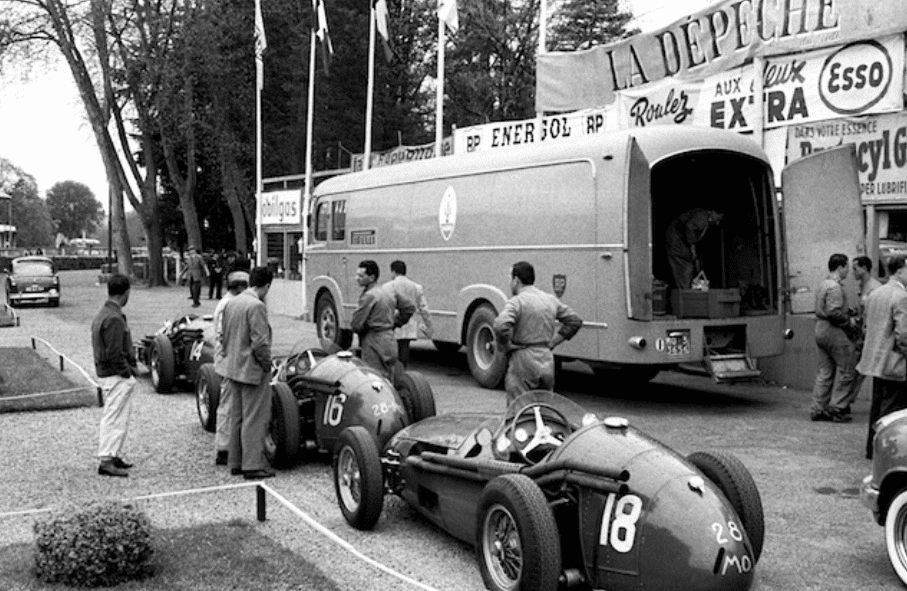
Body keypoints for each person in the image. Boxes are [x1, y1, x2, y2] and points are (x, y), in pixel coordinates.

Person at [493, 261, 583, 406]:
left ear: (516, 280)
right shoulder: (550, 299)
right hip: (546, 359)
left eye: (510, 279)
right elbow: (575, 321)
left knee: (519, 409)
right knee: (544, 408)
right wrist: (553, 342)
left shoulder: (517, 302)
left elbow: (500, 325)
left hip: (523, 360)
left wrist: (505, 345)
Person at [220, 266, 274, 479]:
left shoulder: (232, 302)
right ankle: (252, 464)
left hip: (233, 367)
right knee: (255, 418)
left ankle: (236, 461)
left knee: (237, 417)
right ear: (267, 286)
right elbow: (260, 342)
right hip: (252, 369)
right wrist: (267, 364)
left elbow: (224, 335)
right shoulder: (256, 306)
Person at [857, 254, 907, 459]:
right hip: (895, 362)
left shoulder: (876, 293)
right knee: (893, 409)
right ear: (900, 271)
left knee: (878, 406)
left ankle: (872, 448)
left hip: (875, 360)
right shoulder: (902, 296)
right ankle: (885, 451)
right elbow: (904, 334)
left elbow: (866, 325)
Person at [91, 274, 138, 477]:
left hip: (108, 373)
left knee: (117, 416)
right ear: (126, 293)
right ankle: (106, 459)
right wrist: (127, 372)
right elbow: (114, 353)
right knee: (115, 418)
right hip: (115, 374)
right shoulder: (114, 318)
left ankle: (113, 453)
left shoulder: (105, 313)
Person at [810, 253, 858, 422]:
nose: (848, 271)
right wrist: (848, 321)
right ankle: (837, 407)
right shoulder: (835, 287)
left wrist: (847, 310)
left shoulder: (823, 284)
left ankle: (818, 408)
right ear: (840, 267)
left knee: (825, 371)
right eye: (847, 267)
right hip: (833, 330)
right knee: (848, 369)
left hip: (820, 328)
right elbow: (833, 312)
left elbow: (827, 307)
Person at [351, 260, 414, 380]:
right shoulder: (388, 291)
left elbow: (356, 324)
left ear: (371, 277)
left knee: (374, 379)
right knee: (389, 378)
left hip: (373, 342)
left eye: (361, 276)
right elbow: (409, 308)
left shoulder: (369, 296)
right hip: (389, 340)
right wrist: (395, 323)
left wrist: (365, 328)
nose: (357, 278)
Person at [212, 270, 250, 466]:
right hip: (228, 359)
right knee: (227, 404)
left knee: (231, 403)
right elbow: (223, 336)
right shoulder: (228, 305)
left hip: (227, 358)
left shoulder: (227, 303)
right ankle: (224, 447)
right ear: (240, 287)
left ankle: (230, 444)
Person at [845, 256, 884, 412]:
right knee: (855, 369)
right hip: (861, 332)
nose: (853, 272)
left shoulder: (875, 288)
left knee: (861, 369)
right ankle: (846, 400)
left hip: (869, 333)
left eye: (855, 268)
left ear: (864, 268)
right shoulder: (862, 286)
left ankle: (846, 401)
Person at [384, 260, 433, 367]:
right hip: (409, 324)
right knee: (405, 349)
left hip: (394, 322)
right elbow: (424, 308)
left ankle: (394, 372)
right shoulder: (416, 287)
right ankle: (402, 370)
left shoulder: (388, 287)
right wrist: (428, 326)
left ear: (393, 271)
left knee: (392, 352)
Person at [665, 208, 724, 289]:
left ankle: (684, 289)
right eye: (717, 219)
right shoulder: (701, 217)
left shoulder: (704, 220)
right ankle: (684, 291)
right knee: (686, 266)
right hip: (677, 240)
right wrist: (692, 246)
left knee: (686, 266)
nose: (717, 223)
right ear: (714, 212)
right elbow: (690, 227)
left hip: (680, 241)